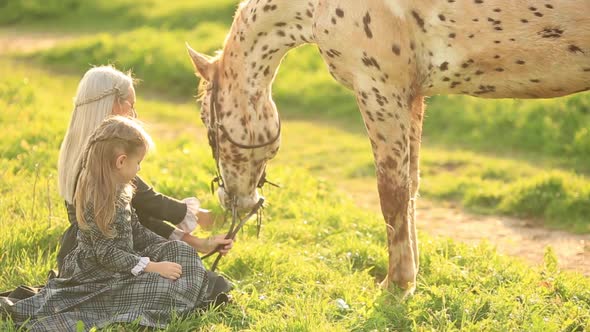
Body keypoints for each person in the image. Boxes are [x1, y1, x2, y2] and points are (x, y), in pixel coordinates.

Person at [9, 116, 211, 330]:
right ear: (121, 161)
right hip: (100, 275)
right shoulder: (98, 199)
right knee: (164, 288)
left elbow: (136, 229)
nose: (139, 170)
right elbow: (106, 254)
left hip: (128, 261)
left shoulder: (121, 189)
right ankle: (152, 300)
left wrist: (164, 247)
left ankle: (174, 288)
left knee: (182, 252)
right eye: (138, 163)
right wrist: (153, 267)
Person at [55, 65, 232, 273]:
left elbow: (138, 212)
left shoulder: (80, 147)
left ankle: (200, 228)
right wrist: (196, 224)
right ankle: (204, 219)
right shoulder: (100, 160)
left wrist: (196, 242)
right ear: (113, 105)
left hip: (105, 247)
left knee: (187, 264)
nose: (135, 114)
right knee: (192, 274)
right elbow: (148, 201)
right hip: (104, 258)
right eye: (132, 105)